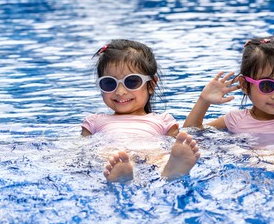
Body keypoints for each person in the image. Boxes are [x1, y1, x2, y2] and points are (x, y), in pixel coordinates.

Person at [82, 39, 200, 182]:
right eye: (109, 83)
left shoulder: (163, 121)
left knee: (162, 156)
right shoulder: (94, 121)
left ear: (151, 85)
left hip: (150, 155)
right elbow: (82, 150)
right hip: (111, 156)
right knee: (102, 155)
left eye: (132, 81)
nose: (120, 91)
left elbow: (173, 145)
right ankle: (122, 174)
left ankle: (171, 170)